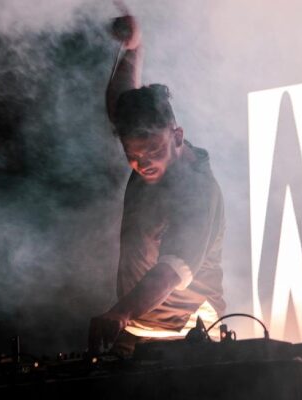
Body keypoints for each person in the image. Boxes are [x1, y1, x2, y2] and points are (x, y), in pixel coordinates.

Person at [87, 14, 226, 356]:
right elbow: (120, 102)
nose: (143, 162)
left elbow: (168, 273)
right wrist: (134, 48)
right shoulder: (146, 151)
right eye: (132, 155)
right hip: (137, 326)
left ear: (177, 136)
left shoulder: (196, 191)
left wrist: (120, 313)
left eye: (153, 151)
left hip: (190, 332)